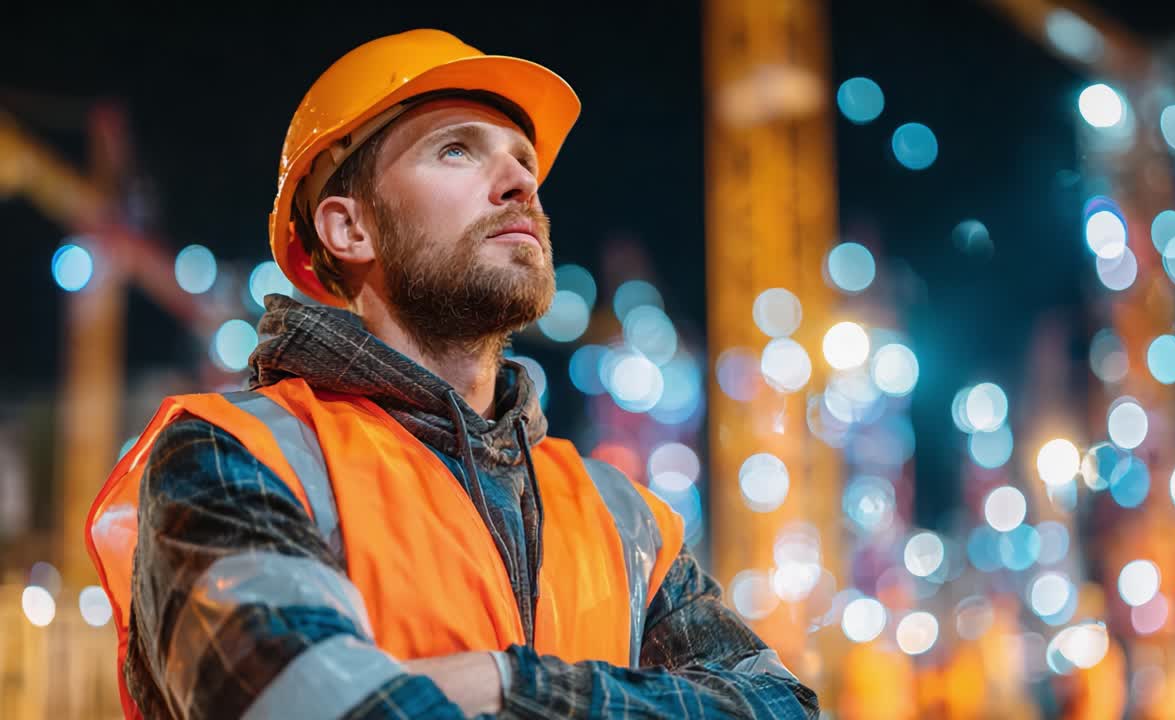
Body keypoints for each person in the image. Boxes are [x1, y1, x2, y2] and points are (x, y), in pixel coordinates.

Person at [86, 29, 819, 719]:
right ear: (350, 230)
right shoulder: (234, 455)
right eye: (458, 151)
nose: (519, 184)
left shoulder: (620, 514)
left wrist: (501, 682)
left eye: (525, 162)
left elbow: (782, 706)